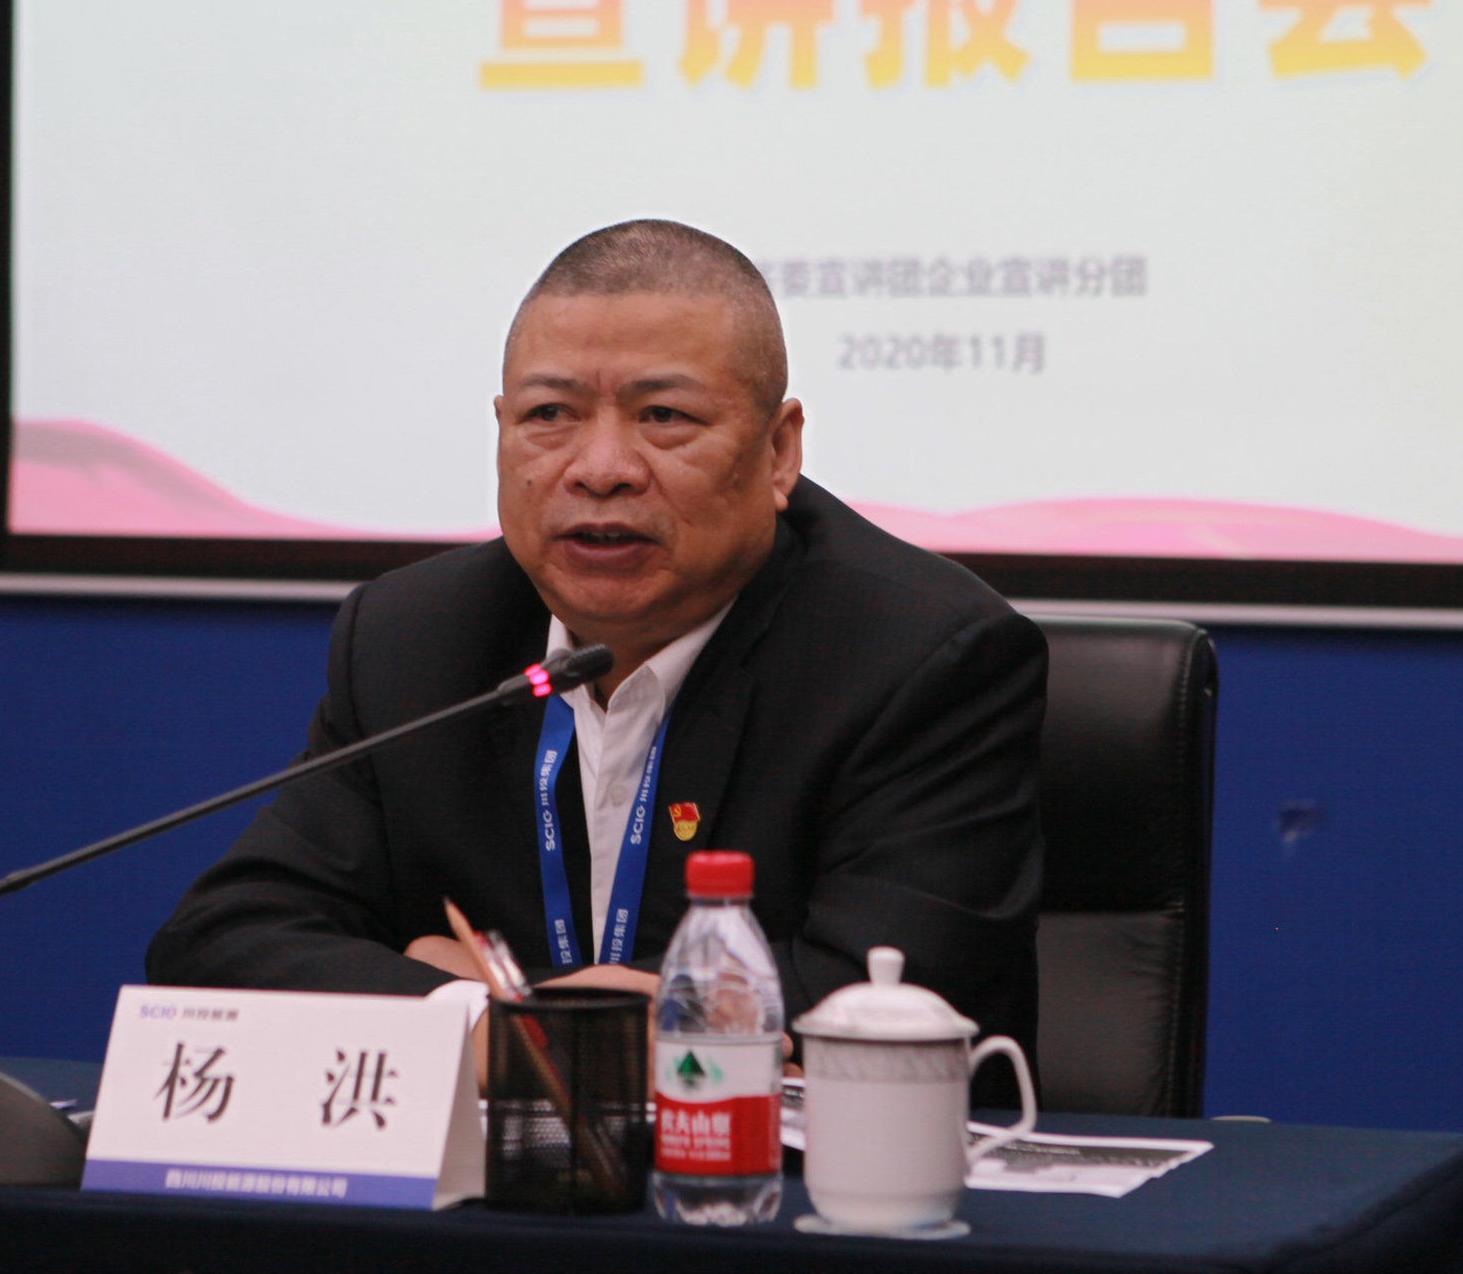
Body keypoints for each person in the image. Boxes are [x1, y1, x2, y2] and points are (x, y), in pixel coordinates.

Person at [146, 219, 1045, 1059]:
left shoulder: (918, 658)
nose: (601, 469)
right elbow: (222, 944)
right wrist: (494, 1023)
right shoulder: (413, 641)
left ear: (779, 452)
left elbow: (882, 1004)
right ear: (501, 432)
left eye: (664, 417)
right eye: (550, 415)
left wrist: (493, 1005)